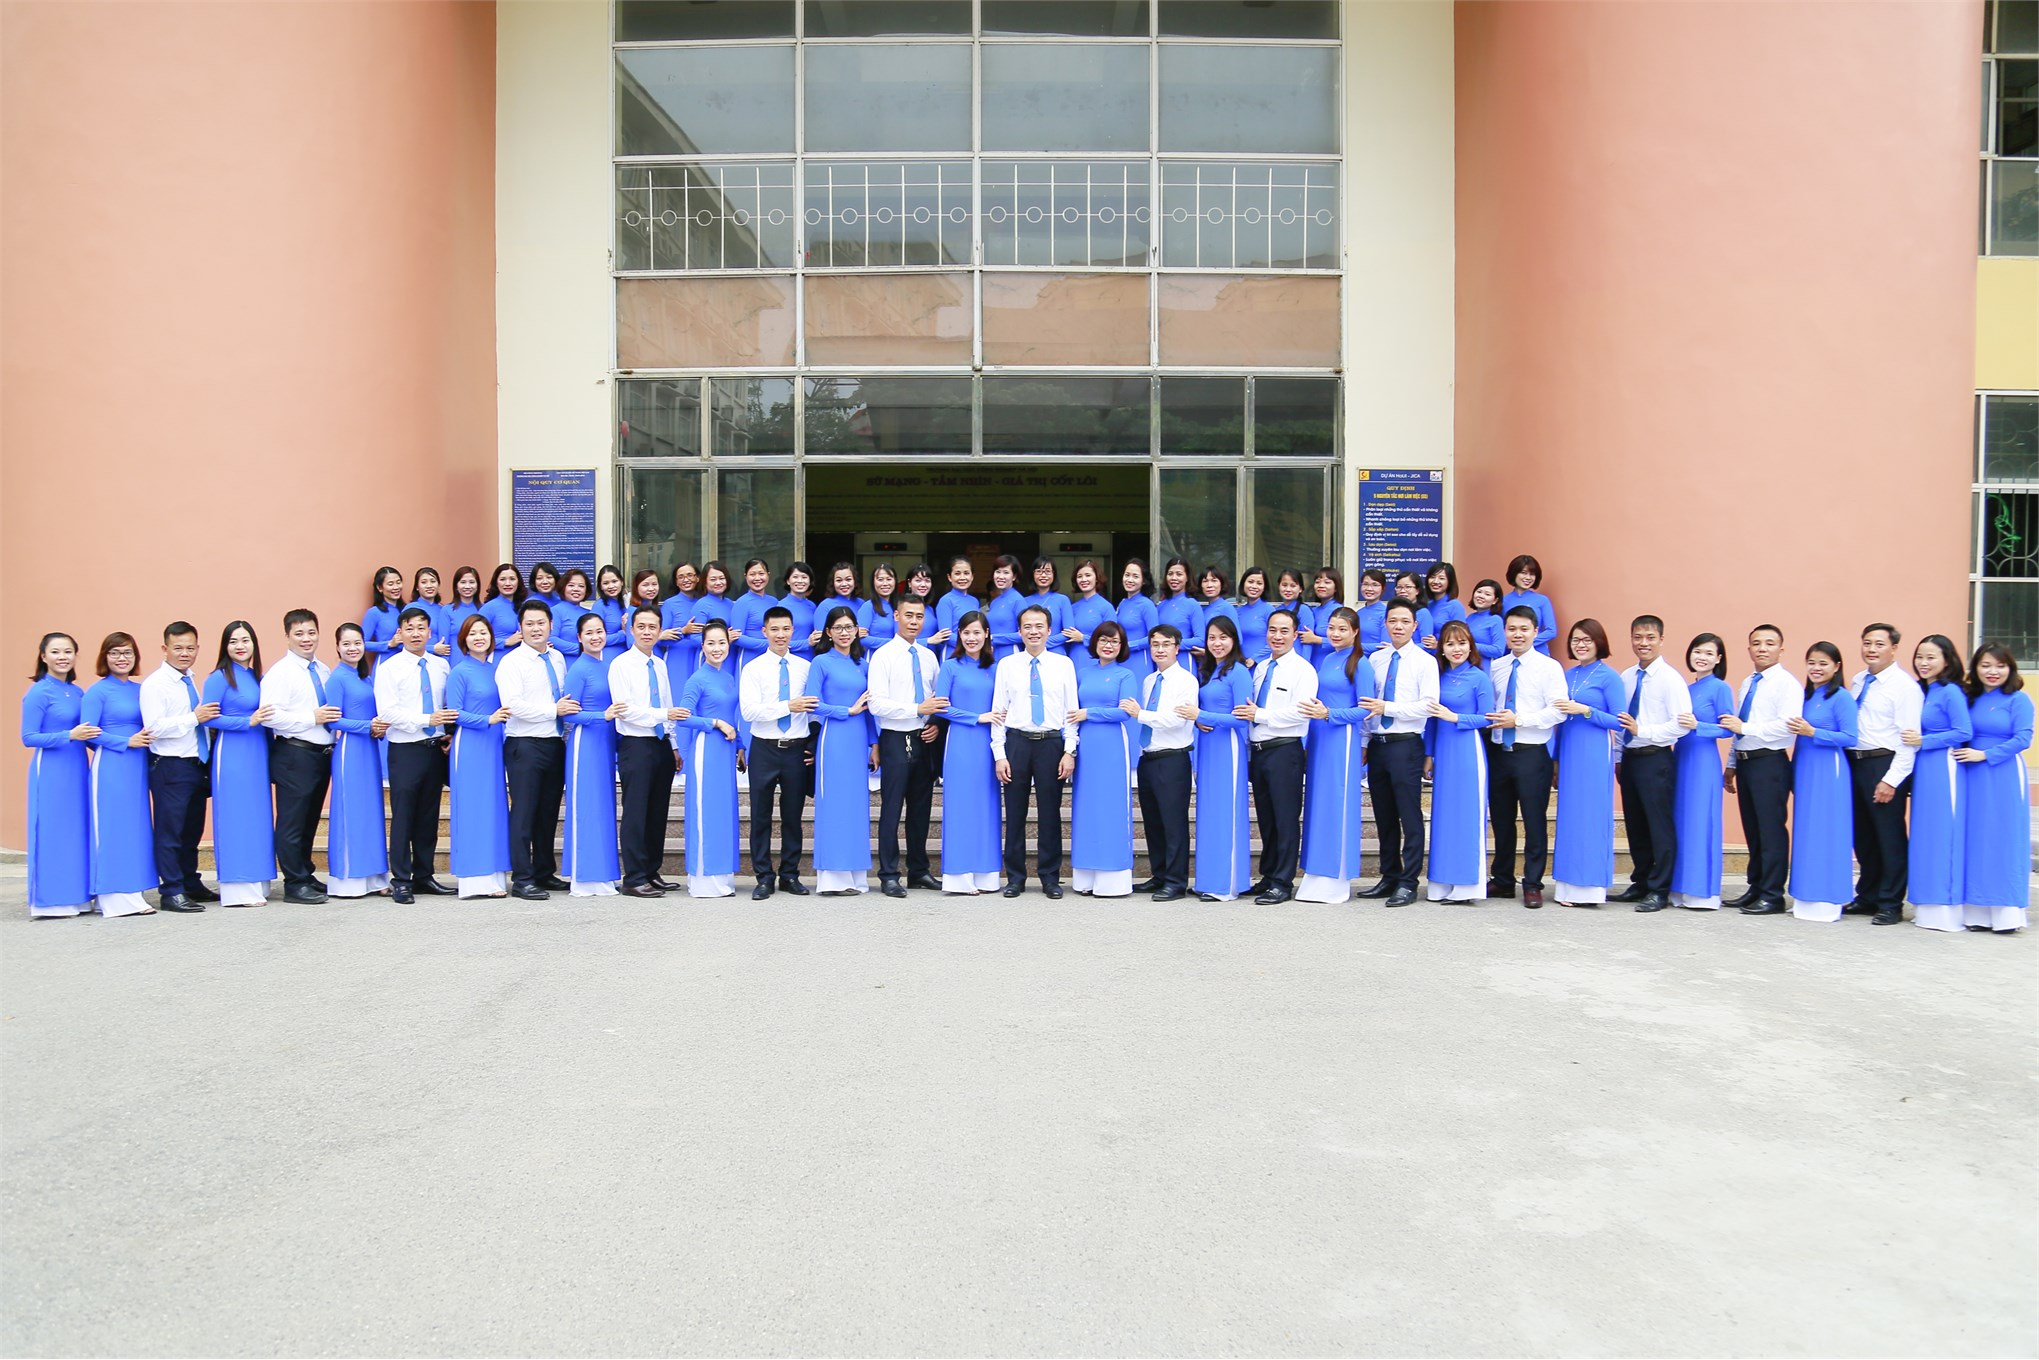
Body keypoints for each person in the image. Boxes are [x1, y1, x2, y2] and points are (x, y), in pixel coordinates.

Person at [991, 604, 1080, 897]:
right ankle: (1015, 877)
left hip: (1051, 744)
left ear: (1049, 630)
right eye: (1027, 626)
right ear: (1019, 631)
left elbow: (1071, 711)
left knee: (1050, 813)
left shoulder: (1064, 664)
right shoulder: (1007, 665)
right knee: (1015, 813)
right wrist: (1000, 754)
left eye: (1039, 626)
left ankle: (1050, 877)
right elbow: (999, 711)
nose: (1033, 631)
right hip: (1017, 742)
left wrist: (1069, 750)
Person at [1484, 605, 1566, 907]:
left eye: (1523, 629)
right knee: (1502, 820)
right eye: (1512, 629)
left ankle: (1532, 883)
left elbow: (1557, 711)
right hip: (1499, 753)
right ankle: (1503, 880)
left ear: (1535, 632)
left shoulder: (1549, 667)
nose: (1517, 635)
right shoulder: (1497, 666)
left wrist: (1519, 720)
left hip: (1531, 753)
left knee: (1534, 820)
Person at [1357, 600, 1437, 907]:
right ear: (1386, 624)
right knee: (1384, 815)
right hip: (1378, 744)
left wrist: (1388, 708)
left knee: (1409, 814)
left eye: (1405, 621)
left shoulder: (1425, 661)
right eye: (1393, 621)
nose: (1398, 626)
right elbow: (1369, 705)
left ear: (1415, 626)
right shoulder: (1376, 659)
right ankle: (1389, 876)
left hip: (1406, 744)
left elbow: (1428, 705)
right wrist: (1365, 742)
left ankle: (1408, 881)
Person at [1613, 614, 1693, 912]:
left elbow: (1681, 725)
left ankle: (1660, 889)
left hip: (1656, 757)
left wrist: (1643, 731)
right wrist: (1619, 757)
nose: (1643, 643)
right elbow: (1621, 722)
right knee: (1636, 824)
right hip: (1631, 759)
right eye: (1637, 637)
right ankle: (1642, 881)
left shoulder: (1671, 679)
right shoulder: (1626, 676)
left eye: (1649, 638)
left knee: (1659, 825)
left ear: (1661, 639)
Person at [496, 599, 574, 900]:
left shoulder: (557, 658)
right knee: (524, 812)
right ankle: (522, 878)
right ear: (520, 627)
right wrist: (553, 710)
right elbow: (512, 705)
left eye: (541, 623)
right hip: (525, 744)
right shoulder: (512, 662)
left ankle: (544, 871)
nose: (536, 629)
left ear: (551, 625)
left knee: (547, 812)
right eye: (529, 624)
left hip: (553, 743)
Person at [375, 605, 454, 904]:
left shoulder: (440, 665)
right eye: (409, 628)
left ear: (429, 632)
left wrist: (446, 730)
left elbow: (445, 704)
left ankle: (424, 875)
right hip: (405, 750)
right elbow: (387, 712)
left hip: (434, 749)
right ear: (400, 633)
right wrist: (426, 720)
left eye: (421, 628)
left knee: (428, 816)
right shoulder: (389, 668)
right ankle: (401, 879)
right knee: (404, 816)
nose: (416, 633)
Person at [866, 596, 944, 896]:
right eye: (908, 615)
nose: (914, 621)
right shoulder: (883, 656)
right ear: (896, 616)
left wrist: (934, 722)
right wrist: (916, 710)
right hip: (896, 738)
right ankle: (888, 874)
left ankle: (919, 870)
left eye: (919, 616)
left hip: (924, 738)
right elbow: (876, 704)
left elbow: (936, 697)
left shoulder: (928, 656)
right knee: (892, 808)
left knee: (921, 808)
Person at [139, 621, 219, 911]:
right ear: (165, 649)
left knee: (191, 830)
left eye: (190, 648)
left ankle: (189, 882)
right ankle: (171, 890)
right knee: (170, 831)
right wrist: (194, 718)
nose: (185, 653)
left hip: (196, 764)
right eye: (178, 648)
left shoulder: (189, 679)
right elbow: (154, 728)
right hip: (170, 765)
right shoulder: (155, 684)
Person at [1240, 607, 1318, 905]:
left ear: (1295, 634)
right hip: (1260, 752)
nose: (1277, 636)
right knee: (1267, 818)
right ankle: (1269, 875)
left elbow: (1301, 712)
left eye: (1284, 631)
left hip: (1285, 750)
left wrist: (1260, 715)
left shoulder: (1303, 670)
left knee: (1285, 818)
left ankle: (1283, 882)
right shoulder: (1261, 667)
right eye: (1272, 630)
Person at [1847, 623, 1924, 925]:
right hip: (1857, 762)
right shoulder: (1859, 680)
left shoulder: (1904, 687)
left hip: (1885, 764)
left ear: (1894, 649)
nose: (1871, 649)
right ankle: (1867, 896)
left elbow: (1908, 740)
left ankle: (1891, 902)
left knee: (1888, 836)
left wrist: (1891, 780)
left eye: (1879, 644)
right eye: (1867, 643)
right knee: (1864, 835)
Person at [260, 608, 339, 904]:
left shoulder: (323, 669)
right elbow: (270, 716)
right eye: (299, 633)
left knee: (309, 819)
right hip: (295, 753)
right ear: (287, 636)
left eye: (311, 632)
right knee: (292, 821)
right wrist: (311, 717)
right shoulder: (280, 673)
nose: (307, 639)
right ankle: (293, 882)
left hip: (321, 754)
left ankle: (305, 873)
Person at [1722, 624, 1801, 916]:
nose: (1762, 648)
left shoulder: (1786, 684)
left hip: (1770, 762)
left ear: (1781, 649)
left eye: (1769, 643)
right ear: (1749, 649)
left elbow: (1787, 726)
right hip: (1746, 762)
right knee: (1753, 830)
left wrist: (1745, 728)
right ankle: (1755, 887)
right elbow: (1737, 726)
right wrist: (1732, 763)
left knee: (1770, 830)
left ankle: (1772, 894)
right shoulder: (1748, 682)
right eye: (1756, 643)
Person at [1295, 608, 1372, 904]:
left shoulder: (1360, 663)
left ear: (1355, 632)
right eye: (1331, 628)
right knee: (1319, 803)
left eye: (1342, 629)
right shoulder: (1327, 658)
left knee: (1338, 802)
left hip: (1343, 737)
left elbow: (1365, 708)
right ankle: (1316, 874)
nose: (1335, 634)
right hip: (1320, 737)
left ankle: (1337, 878)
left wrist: (1330, 714)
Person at [1957, 643, 2033, 933]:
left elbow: (2023, 739)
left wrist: (1985, 755)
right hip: (1970, 774)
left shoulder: (2018, 699)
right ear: (1975, 668)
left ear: (2010, 668)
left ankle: (2005, 914)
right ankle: (1976, 912)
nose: (1993, 671)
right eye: (1985, 665)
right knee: (1975, 837)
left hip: (2002, 773)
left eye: (2000, 666)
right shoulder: (1970, 698)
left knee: (2003, 837)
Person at [739, 606, 814, 899]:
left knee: (793, 817)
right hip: (765, 748)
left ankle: (789, 874)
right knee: (760, 816)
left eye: (785, 629)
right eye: (774, 629)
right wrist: (787, 706)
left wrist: (812, 744)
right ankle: (763, 877)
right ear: (764, 632)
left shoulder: (805, 667)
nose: (780, 635)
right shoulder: (753, 668)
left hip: (796, 749)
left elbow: (813, 709)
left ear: (793, 631)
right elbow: (749, 712)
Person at [610, 605, 683, 898]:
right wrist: (663, 715)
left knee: (657, 812)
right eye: (641, 626)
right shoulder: (621, 664)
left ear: (659, 630)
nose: (647, 632)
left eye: (653, 627)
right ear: (632, 629)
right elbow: (625, 710)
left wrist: (673, 744)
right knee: (636, 812)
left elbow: (668, 703)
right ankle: (634, 877)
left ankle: (652, 872)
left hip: (660, 743)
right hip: (636, 744)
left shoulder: (660, 664)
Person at [81, 633, 156, 917]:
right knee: (114, 827)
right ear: (105, 657)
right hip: (111, 766)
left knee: (135, 827)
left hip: (138, 766)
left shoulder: (141, 690)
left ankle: (133, 891)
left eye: (127, 653)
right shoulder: (97, 692)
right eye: (114, 653)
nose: (121, 658)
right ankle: (113, 896)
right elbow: (88, 733)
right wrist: (126, 742)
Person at [1551, 620, 1624, 907]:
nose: (1580, 645)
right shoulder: (1568, 675)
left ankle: (1590, 888)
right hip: (1569, 750)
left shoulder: (1609, 677)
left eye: (1586, 640)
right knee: (1570, 816)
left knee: (1591, 815)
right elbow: (1558, 720)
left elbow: (1620, 721)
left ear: (1599, 642)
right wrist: (1556, 759)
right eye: (1576, 640)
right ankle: (1567, 886)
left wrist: (1586, 710)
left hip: (1594, 751)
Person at [202, 620, 276, 906]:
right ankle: (238, 887)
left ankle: (258, 880)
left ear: (254, 644)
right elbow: (208, 718)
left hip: (257, 752)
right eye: (233, 641)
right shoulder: (219, 677)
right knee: (236, 815)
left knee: (257, 815)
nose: (240, 646)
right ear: (225, 646)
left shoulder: (257, 677)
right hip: (232, 753)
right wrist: (247, 721)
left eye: (245, 640)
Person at [22, 633, 94, 918]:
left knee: (75, 830)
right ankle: (51, 900)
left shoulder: (77, 692)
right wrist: (69, 735)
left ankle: (77, 897)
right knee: (53, 830)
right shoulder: (39, 692)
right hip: (51, 770)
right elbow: (29, 737)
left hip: (77, 767)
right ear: (43, 656)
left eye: (68, 651)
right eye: (55, 652)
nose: (62, 657)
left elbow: (89, 731)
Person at [1902, 635, 1970, 932]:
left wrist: (1924, 740)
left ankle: (1947, 908)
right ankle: (1926, 906)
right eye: (1920, 657)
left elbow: (1963, 732)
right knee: (1924, 834)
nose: (1923, 663)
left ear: (1947, 660)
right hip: (1924, 769)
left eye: (1931, 657)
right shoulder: (1921, 691)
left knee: (1944, 834)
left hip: (1944, 766)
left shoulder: (1951, 691)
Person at [1788, 642, 1860, 922]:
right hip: (1806, 769)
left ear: (1837, 666)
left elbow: (1850, 737)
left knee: (1828, 831)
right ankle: (1805, 895)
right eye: (1812, 663)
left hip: (1829, 770)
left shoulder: (1841, 697)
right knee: (1807, 832)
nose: (1816, 668)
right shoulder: (1806, 696)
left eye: (1823, 663)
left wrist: (1814, 732)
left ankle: (1829, 899)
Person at [1424, 620, 1494, 903]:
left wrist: (1456, 718)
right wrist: (1429, 754)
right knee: (1444, 816)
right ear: (1441, 648)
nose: (1457, 649)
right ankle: (1441, 882)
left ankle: (1467, 885)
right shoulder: (1437, 676)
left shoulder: (1479, 677)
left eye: (1462, 643)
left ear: (1471, 646)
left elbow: (1488, 718)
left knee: (1466, 815)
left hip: (1467, 751)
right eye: (1450, 643)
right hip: (1443, 750)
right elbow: (1431, 720)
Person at [806, 605, 875, 895]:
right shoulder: (821, 662)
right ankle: (833, 878)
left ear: (857, 630)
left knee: (855, 806)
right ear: (828, 632)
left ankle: (855, 875)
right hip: (834, 738)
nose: (844, 633)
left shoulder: (863, 664)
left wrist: (874, 744)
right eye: (838, 628)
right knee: (834, 804)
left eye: (849, 627)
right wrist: (846, 710)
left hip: (858, 741)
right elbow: (811, 702)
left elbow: (869, 708)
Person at [1068, 622, 1138, 897]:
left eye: (1115, 641)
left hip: (1111, 746)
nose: (1108, 645)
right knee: (1086, 806)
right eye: (1104, 640)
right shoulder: (1083, 673)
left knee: (1111, 806)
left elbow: (1125, 712)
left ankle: (1112, 879)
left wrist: (1090, 713)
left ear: (1122, 646)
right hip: (1086, 746)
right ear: (1095, 642)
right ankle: (1085, 877)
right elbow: (1071, 709)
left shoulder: (1125, 674)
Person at [444, 615, 512, 899]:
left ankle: (494, 875)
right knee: (473, 808)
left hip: (493, 744)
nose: (479, 638)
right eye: (473, 633)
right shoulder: (459, 672)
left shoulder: (496, 670)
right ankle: (474, 880)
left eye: (483, 632)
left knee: (493, 807)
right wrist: (487, 719)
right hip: (471, 745)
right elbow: (454, 712)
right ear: (464, 640)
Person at [1129, 624, 1199, 901]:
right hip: (1149, 757)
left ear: (1177, 648)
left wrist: (1140, 714)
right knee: (1153, 822)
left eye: (1165, 644)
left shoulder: (1186, 680)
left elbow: (1177, 720)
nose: (1159, 649)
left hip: (1172, 758)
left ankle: (1175, 881)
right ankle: (1159, 875)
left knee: (1173, 823)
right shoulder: (1149, 680)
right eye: (1155, 644)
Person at [935, 613, 1002, 894]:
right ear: (959, 635)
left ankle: (986, 875)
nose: (971, 638)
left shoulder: (996, 668)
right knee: (961, 805)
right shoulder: (950, 667)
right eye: (966, 633)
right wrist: (976, 717)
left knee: (987, 806)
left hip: (989, 744)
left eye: (976, 632)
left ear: (986, 634)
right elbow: (941, 706)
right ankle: (959, 877)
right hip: (961, 742)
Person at [676, 621, 743, 898]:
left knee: (722, 811)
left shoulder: (727, 677)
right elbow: (683, 716)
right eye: (711, 643)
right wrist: (714, 723)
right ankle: (704, 880)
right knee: (706, 811)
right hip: (706, 749)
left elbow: (733, 714)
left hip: (726, 751)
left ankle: (721, 877)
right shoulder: (697, 678)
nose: (717, 648)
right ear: (702, 646)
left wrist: (740, 746)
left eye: (722, 642)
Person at [1189, 618, 1254, 901]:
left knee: (1226, 812)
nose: (1217, 643)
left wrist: (1202, 716)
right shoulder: (1210, 670)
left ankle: (1227, 885)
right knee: (1209, 813)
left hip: (1228, 747)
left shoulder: (1238, 672)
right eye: (1212, 638)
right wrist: (1199, 720)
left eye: (1223, 637)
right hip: (1207, 747)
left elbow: (1242, 719)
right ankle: (1208, 880)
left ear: (1234, 640)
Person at [1668, 633, 1734, 910]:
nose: (1701, 657)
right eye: (1697, 651)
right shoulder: (1685, 688)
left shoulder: (1720, 688)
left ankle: (1702, 892)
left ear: (1718, 659)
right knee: (1680, 821)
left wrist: (1699, 726)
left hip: (1704, 760)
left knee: (1700, 821)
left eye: (1708, 653)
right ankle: (1679, 887)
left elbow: (1728, 728)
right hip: (1681, 757)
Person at [324, 623, 390, 899]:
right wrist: (367, 726)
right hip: (350, 750)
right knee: (351, 812)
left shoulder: (365, 677)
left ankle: (374, 877)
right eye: (346, 644)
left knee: (370, 812)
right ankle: (349, 879)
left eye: (357, 643)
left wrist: (378, 727)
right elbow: (333, 720)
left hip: (370, 749)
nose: (353, 648)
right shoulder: (337, 678)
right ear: (338, 647)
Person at [559, 613, 623, 897]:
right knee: (587, 807)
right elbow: (568, 714)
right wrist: (601, 716)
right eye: (589, 633)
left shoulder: (608, 666)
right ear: (579, 637)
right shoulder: (578, 669)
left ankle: (603, 874)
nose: (595, 637)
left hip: (605, 743)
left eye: (599, 631)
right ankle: (584, 878)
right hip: (585, 744)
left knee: (603, 807)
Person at [676, 560, 733, 696]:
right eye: (713, 579)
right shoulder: (702, 605)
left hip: (728, 657)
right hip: (708, 660)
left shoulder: (730, 604)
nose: (718, 582)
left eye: (721, 578)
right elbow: (695, 638)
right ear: (705, 582)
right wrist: (720, 641)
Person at [1501, 554, 1558, 656]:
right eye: (1523, 573)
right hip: (1511, 654)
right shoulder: (1503, 601)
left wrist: (1526, 642)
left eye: (1532, 574)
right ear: (1514, 573)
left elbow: (1551, 631)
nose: (1528, 577)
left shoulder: (1542, 600)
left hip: (1537, 653)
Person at [729, 559, 779, 666]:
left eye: (761, 573)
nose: (757, 578)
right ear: (745, 576)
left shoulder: (774, 602)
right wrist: (770, 644)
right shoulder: (741, 603)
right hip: (750, 658)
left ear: (768, 574)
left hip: (773, 657)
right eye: (752, 574)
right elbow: (737, 637)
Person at [1114, 559, 1159, 680]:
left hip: (1139, 661)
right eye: (1127, 575)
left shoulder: (1147, 605)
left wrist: (1129, 645)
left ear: (1143, 581)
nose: (1130, 580)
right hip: (1121, 659)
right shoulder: (1123, 603)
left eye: (1135, 576)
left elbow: (1154, 637)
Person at [930, 556, 979, 661]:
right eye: (957, 573)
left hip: (973, 654)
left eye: (966, 573)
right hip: (953, 654)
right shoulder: (946, 601)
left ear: (972, 576)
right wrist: (972, 644)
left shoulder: (974, 601)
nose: (962, 577)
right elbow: (946, 635)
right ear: (949, 577)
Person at [1065, 559, 1114, 656]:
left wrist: (1083, 638)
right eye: (1079, 576)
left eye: (1088, 575)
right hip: (1072, 658)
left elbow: (1112, 639)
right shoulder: (1072, 608)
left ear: (1097, 578)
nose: (1083, 579)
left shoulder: (1106, 607)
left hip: (1096, 659)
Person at [1156, 558, 1202, 661]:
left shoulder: (1192, 605)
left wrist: (1171, 644)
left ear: (1187, 578)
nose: (1174, 578)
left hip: (1183, 660)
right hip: (1161, 662)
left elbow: (1200, 640)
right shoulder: (1161, 605)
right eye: (1170, 574)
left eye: (1179, 574)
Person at [361, 565, 407, 670]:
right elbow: (361, 644)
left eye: (398, 582)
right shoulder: (374, 613)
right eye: (390, 584)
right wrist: (389, 644)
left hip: (408, 665)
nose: (396, 587)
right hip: (386, 664)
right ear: (379, 588)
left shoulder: (408, 610)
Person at [818, 562, 874, 646]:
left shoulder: (862, 604)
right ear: (832, 583)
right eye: (839, 580)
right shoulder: (825, 606)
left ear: (855, 581)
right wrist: (855, 634)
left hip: (860, 651)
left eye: (848, 579)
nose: (844, 584)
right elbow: (821, 639)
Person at [985, 554, 1029, 659]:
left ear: (1014, 577)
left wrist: (994, 638)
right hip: (992, 654)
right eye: (998, 572)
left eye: (1006, 572)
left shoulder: (1018, 600)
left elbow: (1026, 633)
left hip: (1011, 654)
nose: (1001, 576)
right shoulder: (994, 602)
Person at [1026, 558, 1072, 657]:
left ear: (1054, 574)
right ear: (1033, 574)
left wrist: (1041, 644)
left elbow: (1069, 632)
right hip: (1031, 654)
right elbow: (1021, 631)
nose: (1043, 575)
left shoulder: (1062, 600)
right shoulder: (1024, 601)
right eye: (1039, 571)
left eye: (1048, 571)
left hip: (1056, 653)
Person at [479, 563, 525, 662]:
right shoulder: (489, 608)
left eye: (512, 579)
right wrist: (505, 642)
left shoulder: (525, 606)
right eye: (502, 579)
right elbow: (477, 638)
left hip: (522, 660)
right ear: (496, 583)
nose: (507, 583)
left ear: (518, 582)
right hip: (498, 660)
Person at [549, 569, 596, 658]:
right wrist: (582, 649)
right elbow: (551, 639)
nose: (576, 589)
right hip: (565, 662)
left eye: (581, 586)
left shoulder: (590, 613)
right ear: (563, 587)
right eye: (571, 585)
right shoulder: (555, 611)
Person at [1234, 568, 1274, 668]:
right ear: (1243, 583)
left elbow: (1275, 640)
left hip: (1262, 666)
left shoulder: (1269, 610)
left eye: (1259, 583)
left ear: (1264, 587)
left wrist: (1255, 659)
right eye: (1250, 582)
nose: (1254, 586)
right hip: (1240, 665)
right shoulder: (1237, 612)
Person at [781, 560, 819, 660]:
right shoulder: (781, 607)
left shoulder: (812, 606)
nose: (800, 581)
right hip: (791, 660)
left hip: (811, 659)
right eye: (795, 577)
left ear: (810, 581)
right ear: (788, 581)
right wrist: (807, 642)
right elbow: (778, 642)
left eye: (804, 577)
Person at [1195, 568, 1238, 658]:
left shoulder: (1227, 608)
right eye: (1205, 581)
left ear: (1222, 583)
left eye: (1214, 581)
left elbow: (1237, 640)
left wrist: (1208, 653)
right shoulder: (1202, 609)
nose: (1209, 585)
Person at [442, 566, 484, 654]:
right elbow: (443, 646)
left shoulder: (485, 609)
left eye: (472, 582)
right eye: (463, 582)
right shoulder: (447, 610)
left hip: (480, 659)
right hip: (455, 660)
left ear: (477, 585)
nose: (467, 586)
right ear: (456, 586)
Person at [1392, 573, 1437, 654]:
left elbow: (1427, 645)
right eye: (1399, 587)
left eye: (1408, 587)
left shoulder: (1423, 613)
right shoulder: (1393, 611)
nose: (1402, 591)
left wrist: (1400, 649)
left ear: (1417, 590)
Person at [594, 565, 631, 663]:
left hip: (628, 657)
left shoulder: (626, 603)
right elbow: (595, 639)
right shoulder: (599, 606)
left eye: (614, 581)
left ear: (621, 582)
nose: (611, 586)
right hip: (608, 658)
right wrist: (623, 634)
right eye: (606, 583)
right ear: (601, 586)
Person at [411, 567, 450, 658]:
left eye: (433, 581)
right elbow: (403, 642)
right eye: (424, 582)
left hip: (442, 660)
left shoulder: (443, 609)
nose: (429, 586)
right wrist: (432, 648)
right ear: (417, 587)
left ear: (438, 585)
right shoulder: (412, 608)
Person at [1465, 579, 1507, 660]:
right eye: (1479, 592)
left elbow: (1499, 650)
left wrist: (1471, 645)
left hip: (1483, 665)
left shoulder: (1496, 620)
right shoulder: (1469, 618)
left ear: (1495, 600)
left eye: (1487, 594)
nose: (1481, 596)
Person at [1353, 570, 1389, 656]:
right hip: (1356, 659)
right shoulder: (1358, 613)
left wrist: (1353, 647)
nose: (1369, 589)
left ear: (1383, 588)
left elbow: (1385, 646)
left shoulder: (1386, 613)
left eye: (1375, 585)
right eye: (1365, 584)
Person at [1426, 562, 1467, 634]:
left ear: (1449, 582)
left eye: (1441, 578)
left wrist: (1438, 640)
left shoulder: (1455, 606)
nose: (1435, 581)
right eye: (1432, 577)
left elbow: (1461, 634)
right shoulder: (1428, 605)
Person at [867, 563, 901, 646]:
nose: (885, 583)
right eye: (880, 579)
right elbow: (862, 639)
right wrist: (893, 643)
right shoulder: (868, 606)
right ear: (873, 582)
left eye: (889, 579)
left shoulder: (900, 605)